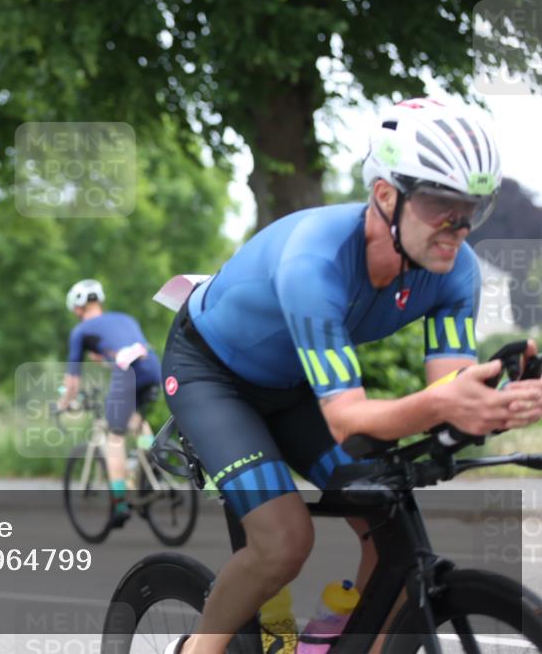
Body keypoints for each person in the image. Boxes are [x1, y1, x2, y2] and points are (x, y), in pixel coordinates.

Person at [159, 98, 542, 654]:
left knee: (387, 523)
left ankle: (325, 643)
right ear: (386, 195)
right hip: (212, 375)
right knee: (286, 542)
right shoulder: (315, 261)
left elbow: (446, 390)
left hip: (294, 386)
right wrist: (446, 405)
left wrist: (495, 399)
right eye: (441, 206)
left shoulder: (454, 270)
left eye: (471, 210)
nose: (457, 229)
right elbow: (346, 419)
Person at [58, 279, 162, 525]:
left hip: (128, 373)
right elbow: (125, 352)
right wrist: (104, 360)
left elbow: (72, 380)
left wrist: (63, 403)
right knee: (136, 419)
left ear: (77, 308)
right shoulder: (125, 318)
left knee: (113, 438)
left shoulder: (81, 331)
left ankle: (119, 503)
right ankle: (151, 463)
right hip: (153, 369)